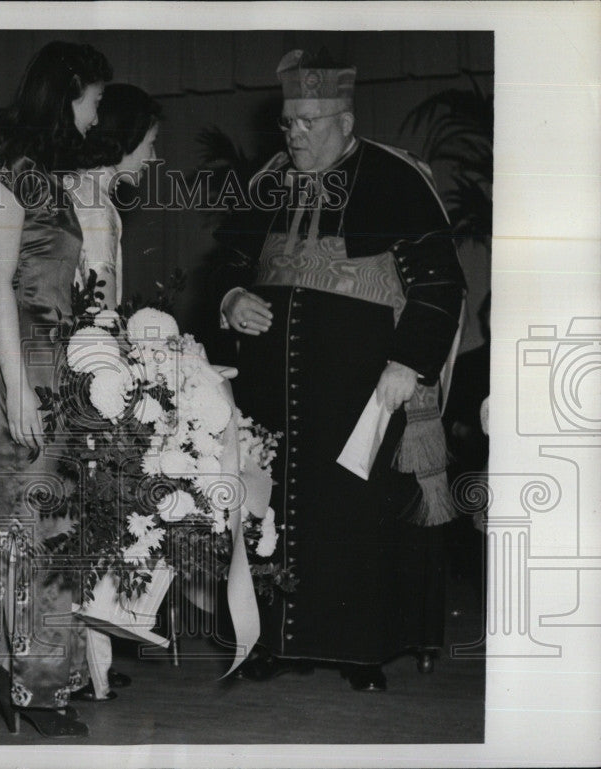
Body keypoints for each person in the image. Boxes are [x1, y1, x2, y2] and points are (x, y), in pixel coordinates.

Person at [214, 48, 466, 691]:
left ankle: (359, 651)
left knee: (353, 516)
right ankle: (271, 642)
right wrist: (232, 299)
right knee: (271, 511)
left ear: (346, 121)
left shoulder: (396, 178)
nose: (294, 134)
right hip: (272, 389)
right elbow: (229, 265)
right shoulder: (269, 177)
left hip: (360, 386)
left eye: (309, 121)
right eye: (289, 122)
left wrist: (409, 363)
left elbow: (439, 281)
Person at [0, 40, 112, 738]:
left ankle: (44, 679)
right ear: (71, 90)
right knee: (19, 527)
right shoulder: (13, 171)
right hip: (17, 356)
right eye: (95, 99)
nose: (96, 114)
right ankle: (23, 683)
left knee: (50, 527)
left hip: (48, 358)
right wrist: (21, 388)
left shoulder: (46, 174)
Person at [64, 83, 162, 701]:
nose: (154, 158)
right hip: (89, 366)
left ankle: (90, 661)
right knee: (89, 514)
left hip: (87, 357)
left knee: (91, 514)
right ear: (124, 139)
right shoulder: (93, 203)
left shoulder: (92, 192)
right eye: (150, 144)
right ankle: (82, 664)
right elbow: (93, 304)